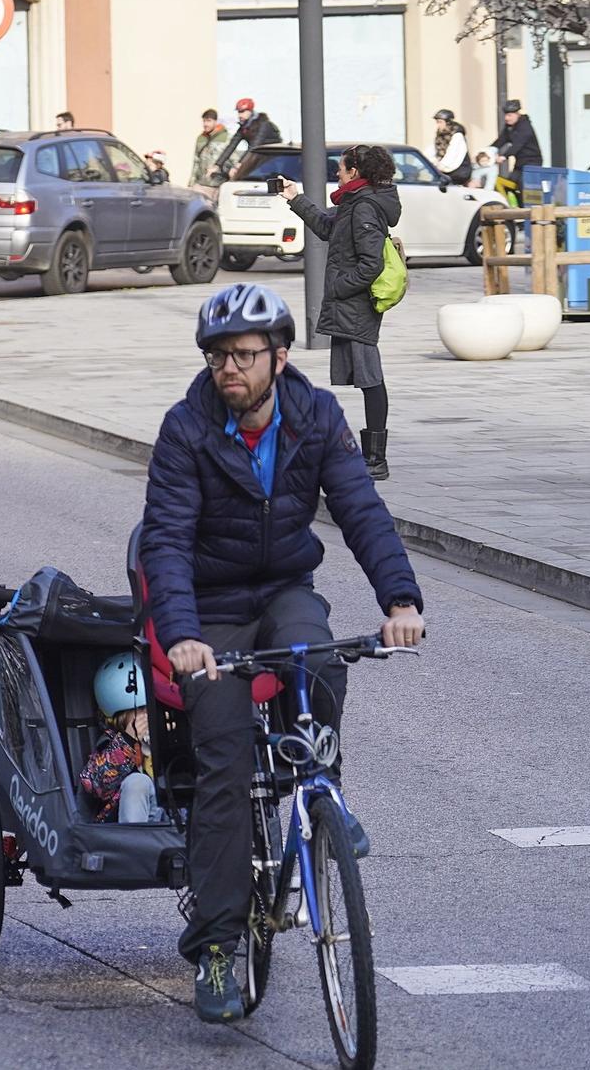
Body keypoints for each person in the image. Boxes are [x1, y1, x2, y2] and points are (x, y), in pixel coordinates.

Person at [138, 282, 424, 1024]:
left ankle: (320, 777)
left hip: (283, 588)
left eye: (242, 355)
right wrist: (183, 638)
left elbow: (360, 507)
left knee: (320, 653)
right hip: (212, 609)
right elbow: (165, 541)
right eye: (216, 356)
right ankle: (219, 946)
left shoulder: (316, 414)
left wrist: (401, 599)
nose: (227, 368)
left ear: (280, 356)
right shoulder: (186, 429)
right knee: (224, 764)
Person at [274, 144, 399, 481]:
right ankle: (371, 456)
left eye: (341, 168)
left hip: (357, 304)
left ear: (354, 172)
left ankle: (376, 459)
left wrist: (339, 287)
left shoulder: (364, 208)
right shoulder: (354, 203)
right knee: (366, 377)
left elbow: (371, 264)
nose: (338, 173)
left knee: (370, 377)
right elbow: (328, 228)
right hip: (351, 303)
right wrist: (294, 198)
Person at [77, 653, 160, 824]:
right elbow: (95, 784)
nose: (147, 717)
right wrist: (130, 739)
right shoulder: (111, 743)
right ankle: (133, 845)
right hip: (126, 824)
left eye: (151, 710)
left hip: (169, 818)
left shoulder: (167, 737)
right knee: (137, 782)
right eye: (140, 711)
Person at [211, 98, 282, 180]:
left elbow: (254, 147)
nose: (239, 115)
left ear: (250, 111)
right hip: (257, 160)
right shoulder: (244, 126)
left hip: (272, 160)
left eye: (242, 112)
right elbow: (231, 146)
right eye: (238, 112)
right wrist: (217, 165)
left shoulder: (264, 125)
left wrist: (239, 165)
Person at [492, 99, 541, 205]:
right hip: (519, 163)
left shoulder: (525, 127)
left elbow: (518, 144)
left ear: (517, 114)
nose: (506, 118)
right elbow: (501, 140)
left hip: (532, 162)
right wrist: (488, 150)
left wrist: (504, 156)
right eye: (505, 115)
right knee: (508, 184)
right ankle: (514, 209)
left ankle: (527, 211)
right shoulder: (510, 127)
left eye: (509, 115)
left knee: (524, 185)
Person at [189, 109, 229, 197]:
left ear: (216, 121)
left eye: (209, 121)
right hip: (201, 184)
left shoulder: (226, 137)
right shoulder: (201, 138)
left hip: (218, 185)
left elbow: (232, 161)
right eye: (204, 121)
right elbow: (196, 161)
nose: (205, 124)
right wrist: (191, 183)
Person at [432, 109, 471, 187]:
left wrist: (440, 166)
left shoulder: (457, 135)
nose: (438, 125)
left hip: (459, 171)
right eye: (437, 122)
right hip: (447, 170)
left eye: (440, 122)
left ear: (448, 122)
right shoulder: (441, 135)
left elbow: (452, 153)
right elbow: (434, 150)